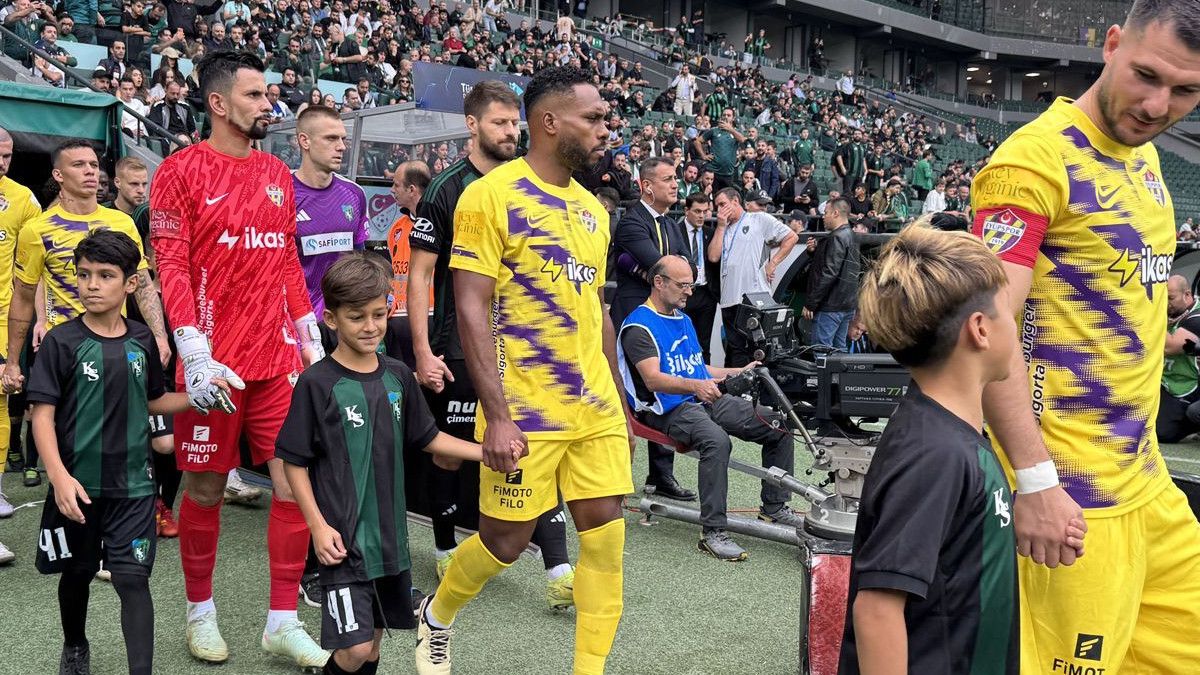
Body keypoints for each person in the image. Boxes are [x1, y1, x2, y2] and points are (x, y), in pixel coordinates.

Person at [970, 3, 1200, 671]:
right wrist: (1036, 481)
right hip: (1070, 500)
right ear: (1112, 44)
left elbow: (1111, 292)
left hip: (1148, 484)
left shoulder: (1145, 157)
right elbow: (988, 331)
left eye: (1185, 90)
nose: (1157, 106)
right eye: (1146, 75)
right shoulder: (1033, 162)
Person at [414, 66, 634, 675]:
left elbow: (596, 310)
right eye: (593, 118)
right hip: (524, 409)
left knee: (605, 541)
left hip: (594, 407)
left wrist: (619, 401)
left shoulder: (593, 211)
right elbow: (470, 305)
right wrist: (499, 416)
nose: (604, 130)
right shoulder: (491, 195)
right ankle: (438, 614)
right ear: (549, 122)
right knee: (504, 543)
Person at [149, 50, 328, 669]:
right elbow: (171, 265)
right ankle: (200, 612)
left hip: (277, 362)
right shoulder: (179, 171)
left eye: (268, 93)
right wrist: (193, 350)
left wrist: (310, 339)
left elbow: (285, 262)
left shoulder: (276, 172)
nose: (267, 104)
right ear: (218, 103)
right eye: (254, 95)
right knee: (203, 489)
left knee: (292, 483)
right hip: (211, 371)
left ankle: (282, 621)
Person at [280, 254, 512, 675]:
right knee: (353, 650)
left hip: (389, 540)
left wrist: (486, 452)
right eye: (356, 317)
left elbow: (429, 438)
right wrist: (317, 526)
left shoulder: (399, 375)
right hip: (343, 541)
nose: (370, 326)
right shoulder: (317, 383)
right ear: (331, 319)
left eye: (378, 314)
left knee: (371, 648)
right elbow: (293, 462)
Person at [840, 225, 1045, 675]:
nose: (1016, 323)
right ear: (980, 330)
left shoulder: (953, 436)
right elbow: (877, 610)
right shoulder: (934, 453)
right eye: (1010, 312)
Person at [407, 80, 577, 607]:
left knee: (535, 445)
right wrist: (423, 351)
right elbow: (420, 274)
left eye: (514, 123)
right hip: (460, 347)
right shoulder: (446, 189)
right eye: (499, 123)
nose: (510, 132)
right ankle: (444, 549)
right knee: (451, 456)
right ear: (472, 124)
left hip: (524, 348)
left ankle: (559, 570)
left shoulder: (531, 184)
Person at [30, 229, 228, 675]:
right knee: (77, 573)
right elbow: (42, 416)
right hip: (78, 486)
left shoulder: (142, 339)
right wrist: (58, 478)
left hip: (136, 486)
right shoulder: (61, 342)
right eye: (84, 275)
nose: (92, 285)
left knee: (132, 580)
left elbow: (153, 401)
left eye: (105, 275)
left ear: (131, 283)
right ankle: (75, 645)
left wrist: (197, 397)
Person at [618, 255, 799, 560]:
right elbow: (652, 379)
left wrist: (740, 370)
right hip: (665, 410)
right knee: (717, 441)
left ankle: (774, 508)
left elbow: (699, 369)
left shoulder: (683, 319)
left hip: (699, 399)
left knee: (777, 423)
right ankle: (713, 532)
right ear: (659, 282)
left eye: (691, 284)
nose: (690, 291)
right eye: (683, 285)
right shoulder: (639, 326)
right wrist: (695, 387)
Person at [611, 156, 696, 504]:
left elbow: (685, 269)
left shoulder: (672, 225)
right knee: (630, 398)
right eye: (668, 179)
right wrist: (654, 271)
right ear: (646, 186)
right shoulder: (632, 223)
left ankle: (661, 476)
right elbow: (663, 268)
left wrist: (651, 271)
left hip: (666, 319)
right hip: (636, 320)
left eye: (676, 178)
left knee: (664, 390)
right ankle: (615, 477)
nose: (676, 184)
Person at [0, 127, 39, 564]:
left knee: (2, 400)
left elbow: (33, 269)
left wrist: (39, 318)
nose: (2, 163)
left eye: (8, 156)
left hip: (4, 316)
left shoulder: (23, 199)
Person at [707, 188, 797, 367]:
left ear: (735, 201)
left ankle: (757, 385)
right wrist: (721, 227)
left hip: (754, 298)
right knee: (734, 351)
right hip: (729, 300)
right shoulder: (723, 228)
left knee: (756, 350)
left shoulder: (758, 219)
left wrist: (773, 263)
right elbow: (713, 257)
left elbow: (791, 237)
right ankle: (737, 385)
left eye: (723, 204)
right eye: (717, 206)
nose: (720, 210)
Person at [292, 105, 368, 315]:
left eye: (343, 139)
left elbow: (359, 260)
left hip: (343, 319)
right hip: (297, 321)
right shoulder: (282, 194)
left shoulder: (354, 194)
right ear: (305, 141)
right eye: (331, 138)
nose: (342, 147)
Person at [803, 196, 861, 349]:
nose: (823, 216)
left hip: (831, 306)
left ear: (836, 213)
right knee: (839, 352)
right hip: (846, 305)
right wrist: (815, 252)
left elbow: (829, 272)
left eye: (826, 213)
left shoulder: (836, 238)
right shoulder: (852, 235)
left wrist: (811, 303)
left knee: (822, 353)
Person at [387, 160, 432, 318]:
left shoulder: (442, 225)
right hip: (399, 315)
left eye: (396, 185)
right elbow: (394, 275)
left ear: (411, 189)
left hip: (431, 316)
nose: (392, 190)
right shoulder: (396, 228)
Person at [679, 193, 720, 364]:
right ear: (686, 210)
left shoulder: (711, 233)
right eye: (697, 211)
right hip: (682, 294)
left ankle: (705, 377)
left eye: (705, 211)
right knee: (682, 341)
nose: (702, 216)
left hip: (706, 294)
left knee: (704, 343)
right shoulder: (675, 231)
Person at [1159, 275, 1200, 442]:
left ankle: (1195, 423)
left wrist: (1151, 316)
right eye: (1163, 298)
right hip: (1165, 380)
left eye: (1171, 298)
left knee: (1163, 433)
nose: (1166, 303)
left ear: (1187, 295)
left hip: (1187, 384)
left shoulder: (1196, 318)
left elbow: (1168, 347)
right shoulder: (1173, 312)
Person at [693, 108, 743, 191]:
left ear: (733, 118)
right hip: (713, 172)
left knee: (726, 196)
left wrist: (731, 129)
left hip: (728, 173)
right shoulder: (714, 130)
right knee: (710, 194)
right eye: (724, 115)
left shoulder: (736, 133)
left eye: (729, 115)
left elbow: (743, 140)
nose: (726, 117)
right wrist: (703, 155)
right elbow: (697, 141)